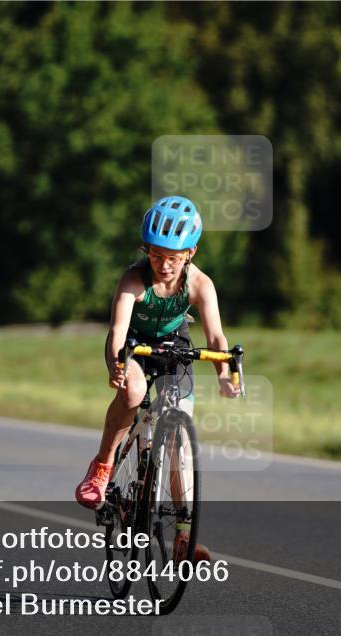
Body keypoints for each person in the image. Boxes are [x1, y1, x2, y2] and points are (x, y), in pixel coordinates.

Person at [75, 195, 240, 561]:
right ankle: (101, 467)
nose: (164, 265)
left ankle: (183, 537)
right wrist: (116, 363)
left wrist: (224, 376)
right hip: (132, 342)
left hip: (173, 343)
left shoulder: (200, 284)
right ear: (145, 249)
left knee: (179, 440)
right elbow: (117, 329)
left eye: (174, 257)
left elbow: (216, 339)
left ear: (191, 252)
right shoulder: (134, 279)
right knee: (133, 393)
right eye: (156, 255)